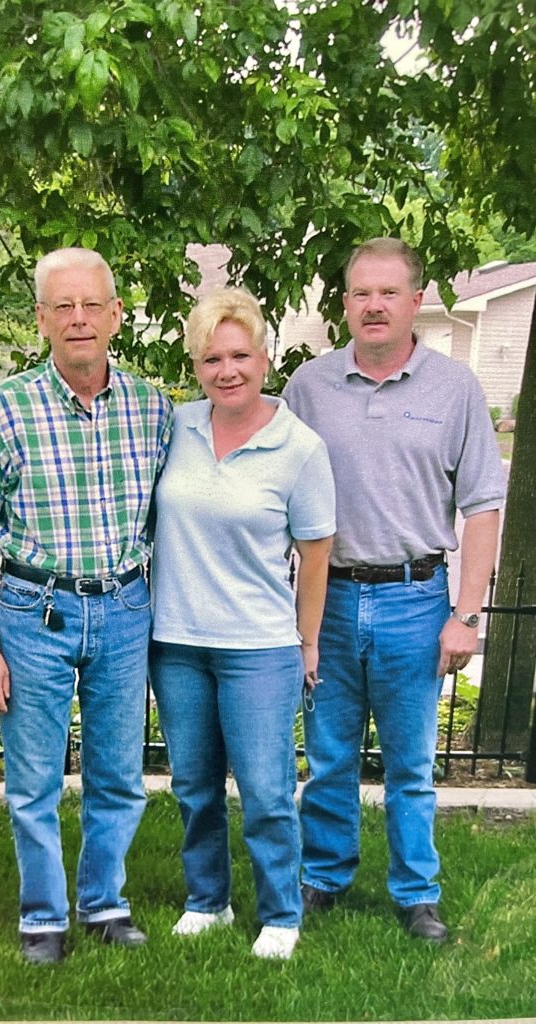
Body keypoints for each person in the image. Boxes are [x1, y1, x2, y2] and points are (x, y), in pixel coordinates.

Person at [283, 237, 506, 942]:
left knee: (410, 765)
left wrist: (465, 615)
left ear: (415, 302)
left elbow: (481, 506)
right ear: (343, 304)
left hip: (416, 599)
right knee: (327, 758)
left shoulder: (454, 389)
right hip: (331, 599)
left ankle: (415, 893)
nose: (372, 305)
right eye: (359, 293)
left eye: (387, 293)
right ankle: (322, 875)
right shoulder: (308, 388)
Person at [0, 247, 173, 965]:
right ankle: (43, 917)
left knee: (117, 773)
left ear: (116, 315)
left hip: (122, 609)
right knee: (34, 781)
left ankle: (105, 904)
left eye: (92, 305)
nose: (78, 319)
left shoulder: (153, 408)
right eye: (62, 305)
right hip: (32, 612)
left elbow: (166, 521)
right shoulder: (3, 406)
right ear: (41, 318)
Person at [149, 287, 335, 960]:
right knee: (195, 787)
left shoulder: (299, 448)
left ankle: (280, 915)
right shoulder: (175, 427)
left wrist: (305, 642)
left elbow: (315, 555)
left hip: (259, 649)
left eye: (238, 355)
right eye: (209, 359)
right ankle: (208, 901)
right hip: (176, 644)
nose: (225, 371)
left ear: (264, 357)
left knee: (264, 793)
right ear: (195, 366)